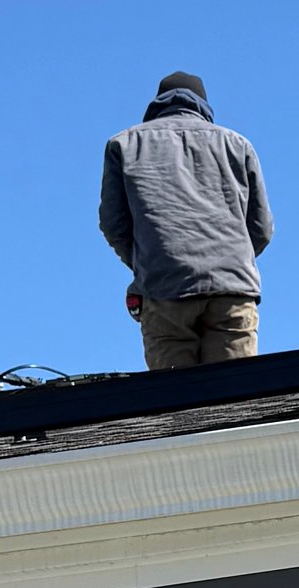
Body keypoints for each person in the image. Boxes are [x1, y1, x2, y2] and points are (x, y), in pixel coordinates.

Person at [99, 70, 273, 368]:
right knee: (235, 390)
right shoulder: (237, 144)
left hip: (164, 288)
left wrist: (152, 261)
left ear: (158, 103)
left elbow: (113, 224)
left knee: (178, 394)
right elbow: (261, 228)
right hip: (232, 288)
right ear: (203, 105)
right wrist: (228, 261)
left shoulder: (124, 145)